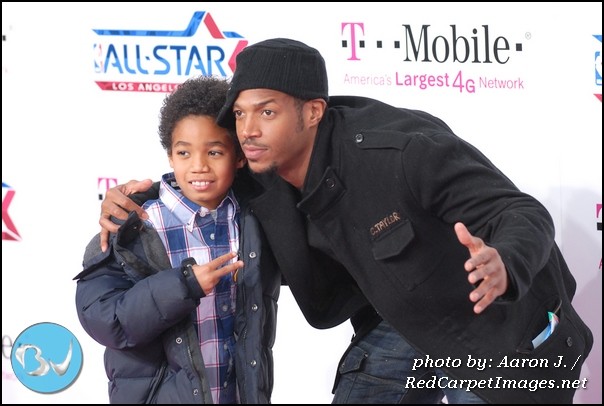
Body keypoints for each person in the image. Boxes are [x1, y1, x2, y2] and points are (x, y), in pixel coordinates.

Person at [98, 38, 593, 404]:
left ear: (312, 111)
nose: (248, 130)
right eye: (241, 115)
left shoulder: (402, 151)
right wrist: (125, 204)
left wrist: (504, 263)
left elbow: (521, 211)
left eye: (266, 112)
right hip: (402, 321)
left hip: (500, 323)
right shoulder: (259, 167)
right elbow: (200, 171)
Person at [76, 75, 280, 404]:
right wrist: (182, 286)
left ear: (239, 157)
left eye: (214, 152)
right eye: (184, 153)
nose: (198, 166)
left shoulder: (254, 221)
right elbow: (104, 319)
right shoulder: (136, 226)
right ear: (170, 156)